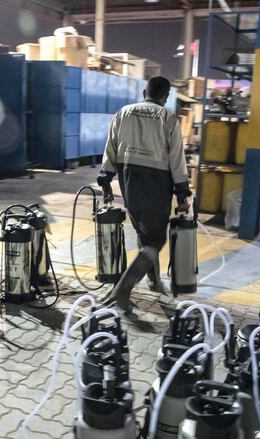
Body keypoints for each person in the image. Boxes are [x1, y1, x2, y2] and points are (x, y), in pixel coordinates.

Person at [97, 76, 191, 312]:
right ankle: (123, 289)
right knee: (156, 240)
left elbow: (111, 148)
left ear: (144, 92)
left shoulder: (123, 113)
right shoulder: (167, 118)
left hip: (129, 180)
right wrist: (182, 193)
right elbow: (177, 159)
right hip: (157, 183)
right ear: (165, 97)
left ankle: (153, 280)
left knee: (143, 231)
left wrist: (106, 178)